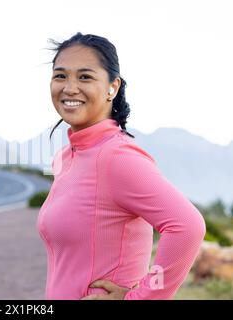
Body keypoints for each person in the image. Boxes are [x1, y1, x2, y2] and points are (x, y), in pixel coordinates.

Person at [36, 32, 206, 300]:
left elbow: (187, 226)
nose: (69, 88)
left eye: (85, 77)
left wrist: (142, 297)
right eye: (60, 75)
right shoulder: (66, 157)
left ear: (112, 87)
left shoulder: (116, 157)